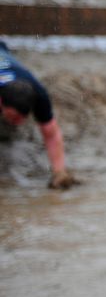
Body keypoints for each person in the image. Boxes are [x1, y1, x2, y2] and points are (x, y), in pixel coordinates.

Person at [0, 40, 77, 189]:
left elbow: (51, 134)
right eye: (13, 117)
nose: (18, 122)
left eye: (22, 117)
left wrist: (59, 172)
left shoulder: (39, 93)